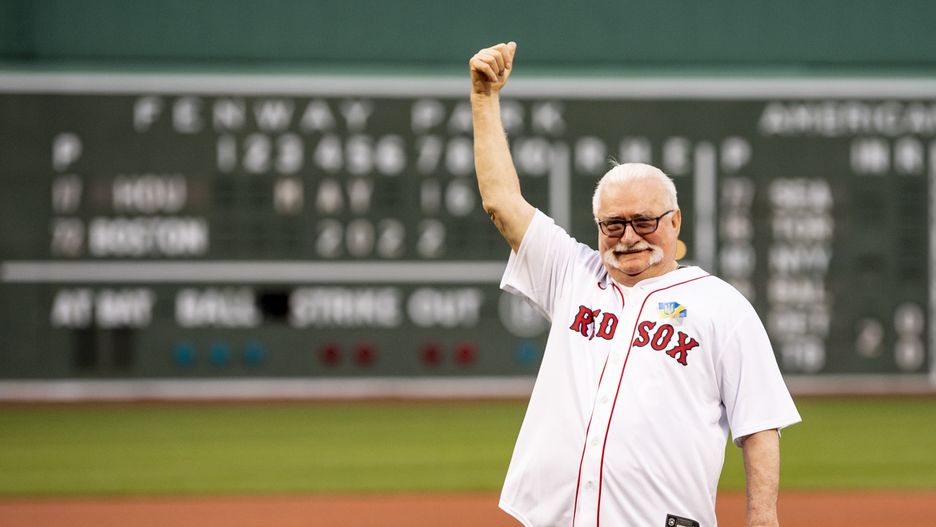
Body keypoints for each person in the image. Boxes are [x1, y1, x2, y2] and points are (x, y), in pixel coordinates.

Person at [470, 41, 801, 527]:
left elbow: (760, 425)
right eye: (613, 224)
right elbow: (501, 203)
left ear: (675, 221)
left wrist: (762, 518)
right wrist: (484, 99)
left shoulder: (721, 306)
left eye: (644, 221)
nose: (628, 237)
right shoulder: (573, 274)